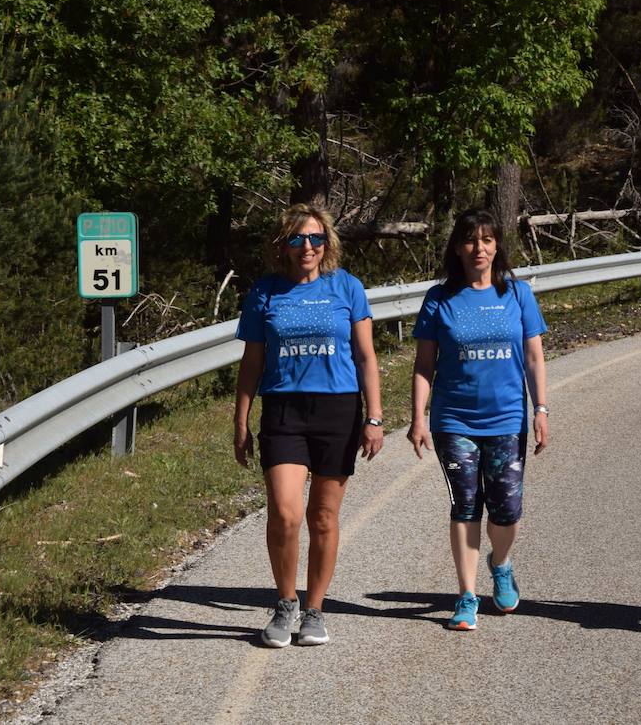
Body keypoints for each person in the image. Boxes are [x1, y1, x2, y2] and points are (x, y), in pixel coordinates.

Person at [232, 203, 384, 648]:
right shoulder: (265, 292)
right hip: (283, 411)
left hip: (338, 410)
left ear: (327, 244)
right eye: (298, 238)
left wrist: (374, 417)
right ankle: (285, 602)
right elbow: (251, 363)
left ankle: (314, 609)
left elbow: (365, 357)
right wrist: (240, 421)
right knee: (284, 512)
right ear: (283, 245)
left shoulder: (347, 287)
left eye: (316, 238)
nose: (308, 247)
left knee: (323, 516)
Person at [409, 208, 549, 631]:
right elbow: (423, 364)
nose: (479, 248)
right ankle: (467, 595)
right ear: (457, 247)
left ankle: (500, 564)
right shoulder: (439, 299)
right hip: (453, 421)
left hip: (507, 418)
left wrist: (540, 409)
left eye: (487, 240)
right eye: (471, 240)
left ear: (497, 246)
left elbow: (533, 356)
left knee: (506, 508)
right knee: (465, 504)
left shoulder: (517, 293)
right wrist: (418, 417)